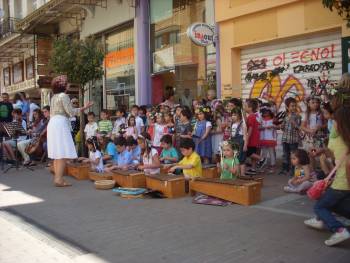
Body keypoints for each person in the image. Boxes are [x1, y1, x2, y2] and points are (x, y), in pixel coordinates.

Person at [304, 106, 350, 246]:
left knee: (320, 206)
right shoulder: (342, 138)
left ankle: (340, 230)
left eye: (334, 120)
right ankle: (320, 220)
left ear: (340, 123)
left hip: (341, 184)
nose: (331, 122)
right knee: (334, 205)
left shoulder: (341, 139)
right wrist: (322, 151)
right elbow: (333, 153)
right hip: (343, 184)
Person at [47, 75, 93, 187]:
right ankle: (59, 179)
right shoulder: (64, 96)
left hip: (53, 123)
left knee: (57, 153)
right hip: (60, 123)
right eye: (67, 83)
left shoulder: (54, 96)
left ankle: (57, 178)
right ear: (63, 85)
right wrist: (84, 108)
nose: (69, 85)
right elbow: (71, 112)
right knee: (62, 153)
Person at [280, 97, 302, 176]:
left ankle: (294, 170)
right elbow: (283, 128)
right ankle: (285, 169)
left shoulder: (297, 116)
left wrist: (293, 122)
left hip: (293, 139)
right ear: (287, 107)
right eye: (292, 106)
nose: (293, 107)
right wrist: (281, 126)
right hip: (285, 138)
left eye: (294, 106)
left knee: (294, 155)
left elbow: (298, 127)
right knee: (285, 154)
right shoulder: (285, 116)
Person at [244, 99, 266, 175]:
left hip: (252, 138)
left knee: (248, 153)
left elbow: (250, 129)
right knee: (252, 153)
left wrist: (247, 138)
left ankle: (261, 159)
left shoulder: (251, 117)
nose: (244, 107)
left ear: (250, 108)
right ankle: (253, 168)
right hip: (255, 138)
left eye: (245, 106)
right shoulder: (253, 116)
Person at [259, 107, 277, 173]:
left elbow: (278, 127)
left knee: (271, 152)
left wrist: (272, 126)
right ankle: (264, 166)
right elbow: (258, 127)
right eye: (264, 112)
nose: (265, 113)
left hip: (271, 138)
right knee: (264, 153)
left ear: (270, 112)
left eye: (267, 111)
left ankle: (272, 166)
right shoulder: (260, 119)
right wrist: (263, 127)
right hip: (263, 138)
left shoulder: (273, 119)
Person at [230, 108, 248, 177]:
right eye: (232, 115)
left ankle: (242, 174)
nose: (233, 116)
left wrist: (245, 145)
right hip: (234, 142)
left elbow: (245, 136)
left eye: (235, 115)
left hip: (241, 142)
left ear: (240, 115)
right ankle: (237, 173)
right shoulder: (233, 124)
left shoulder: (242, 124)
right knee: (235, 158)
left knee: (241, 159)